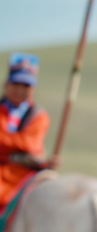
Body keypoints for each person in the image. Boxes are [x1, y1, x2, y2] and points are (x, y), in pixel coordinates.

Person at [0, 53, 57, 208]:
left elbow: (30, 144)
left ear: (33, 89)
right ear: (6, 85)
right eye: (16, 84)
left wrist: (5, 146)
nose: (20, 90)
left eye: (26, 86)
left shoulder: (39, 116)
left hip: (26, 174)